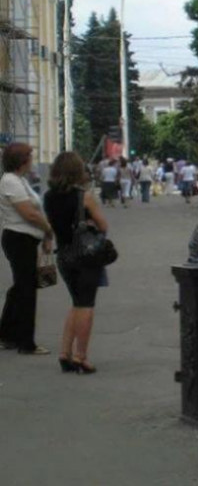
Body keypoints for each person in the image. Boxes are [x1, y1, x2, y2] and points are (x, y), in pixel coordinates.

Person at [44, 152, 109, 374]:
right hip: (85, 255)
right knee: (86, 305)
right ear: (77, 171)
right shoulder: (84, 196)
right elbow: (103, 225)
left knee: (76, 302)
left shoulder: (49, 196)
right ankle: (81, 356)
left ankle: (64, 353)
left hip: (64, 254)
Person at [0, 143, 54, 355]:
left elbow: (33, 211)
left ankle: (6, 333)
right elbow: (28, 213)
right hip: (18, 238)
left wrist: (44, 234)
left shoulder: (20, 180)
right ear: (22, 160)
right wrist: (48, 229)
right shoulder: (11, 181)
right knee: (26, 290)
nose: (32, 160)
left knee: (20, 288)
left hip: (25, 238)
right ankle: (26, 342)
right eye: (30, 157)